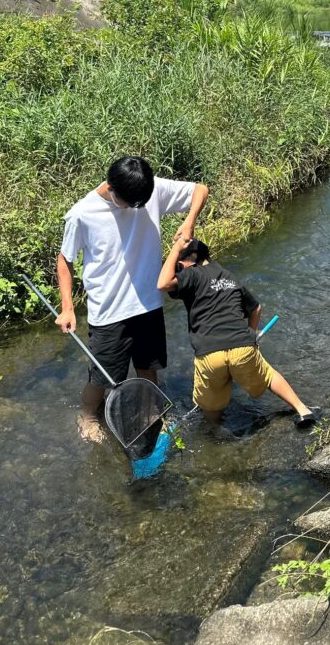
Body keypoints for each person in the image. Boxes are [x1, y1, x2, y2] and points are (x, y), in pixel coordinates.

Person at [55, 155, 209, 442]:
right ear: (112, 188)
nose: (137, 208)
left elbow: (200, 189)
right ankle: (87, 416)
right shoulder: (82, 213)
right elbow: (65, 259)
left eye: (141, 203)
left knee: (147, 367)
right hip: (108, 311)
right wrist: (67, 308)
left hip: (148, 303)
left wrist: (189, 222)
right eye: (130, 204)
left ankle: (152, 413)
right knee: (101, 378)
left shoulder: (149, 191)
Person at [157, 236, 316, 428]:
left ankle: (217, 436)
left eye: (180, 264)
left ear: (190, 260)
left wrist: (175, 249)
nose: (179, 267)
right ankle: (302, 409)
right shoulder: (230, 277)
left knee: (211, 406)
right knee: (268, 375)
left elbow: (163, 284)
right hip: (243, 346)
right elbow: (256, 308)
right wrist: (252, 334)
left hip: (209, 353)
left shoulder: (193, 274)